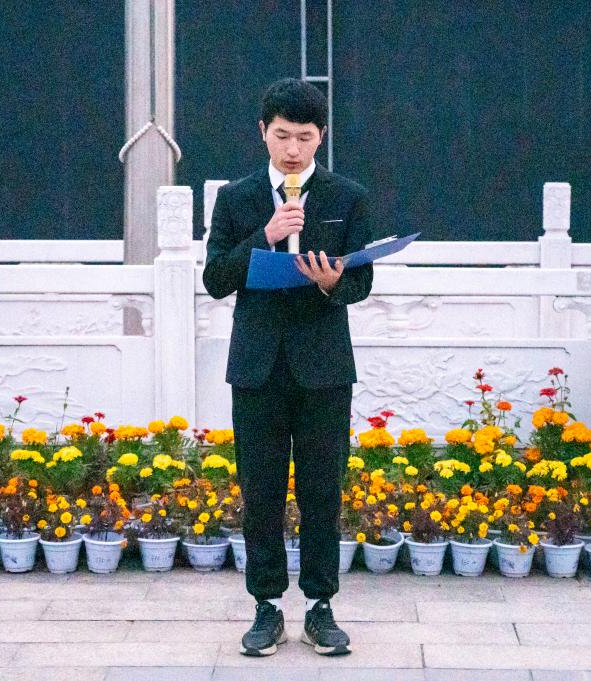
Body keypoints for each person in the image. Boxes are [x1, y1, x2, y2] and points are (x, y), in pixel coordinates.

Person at [202, 78, 374, 657]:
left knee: (323, 491)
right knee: (262, 492)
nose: (293, 148)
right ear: (263, 133)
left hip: (325, 369)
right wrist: (266, 235)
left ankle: (321, 607)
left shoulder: (348, 197)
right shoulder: (237, 198)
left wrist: (332, 283)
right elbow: (215, 279)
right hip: (257, 368)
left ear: (321, 135)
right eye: (282, 136)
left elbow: (362, 281)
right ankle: (266, 606)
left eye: (304, 136)